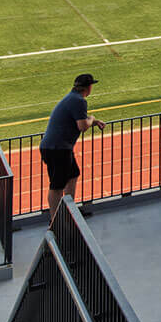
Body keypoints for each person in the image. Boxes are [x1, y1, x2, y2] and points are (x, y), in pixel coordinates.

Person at [41, 73, 107, 216]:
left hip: (58, 147)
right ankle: (55, 221)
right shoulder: (79, 101)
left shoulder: (72, 98)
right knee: (57, 186)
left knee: (73, 175)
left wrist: (93, 122)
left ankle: (69, 211)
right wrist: (92, 118)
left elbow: (79, 119)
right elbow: (82, 126)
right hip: (57, 149)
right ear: (88, 88)